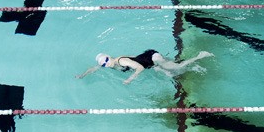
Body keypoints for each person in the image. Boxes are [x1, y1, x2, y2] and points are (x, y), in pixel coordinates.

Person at [77, 49, 213, 84]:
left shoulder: (121, 61)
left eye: (106, 60)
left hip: (153, 58)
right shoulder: (110, 64)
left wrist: (130, 79)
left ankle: (200, 56)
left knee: (175, 68)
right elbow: (94, 68)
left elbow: (139, 68)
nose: (107, 63)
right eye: (104, 64)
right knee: (169, 73)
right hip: (150, 61)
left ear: (109, 56)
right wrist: (83, 75)